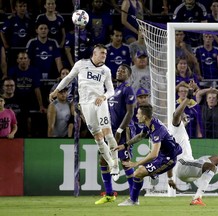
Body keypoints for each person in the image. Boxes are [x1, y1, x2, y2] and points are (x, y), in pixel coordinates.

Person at [49, 44, 120, 180]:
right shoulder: (81, 64)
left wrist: (103, 96)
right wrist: (56, 90)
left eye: (105, 53)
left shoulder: (106, 70)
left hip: (100, 103)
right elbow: (68, 78)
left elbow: (111, 90)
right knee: (98, 138)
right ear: (94, 53)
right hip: (86, 105)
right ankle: (111, 163)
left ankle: (116, 165)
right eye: (102, 53)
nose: (104, 55)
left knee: (108, 134)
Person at [114, 103, 183, 206]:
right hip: (164, 155)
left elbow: (154, 154)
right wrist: (125, 145)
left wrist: (135, 163)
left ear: (144, 116)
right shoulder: (150, 123)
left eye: (138, 114)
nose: (136, 116)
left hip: (168, 159)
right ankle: (134, 200)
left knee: (138, 172)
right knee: (138, 173)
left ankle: (133, 200)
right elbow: (141, 136)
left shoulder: (157, 129)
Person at [95, 64, 136, 205]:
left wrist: (119, 130)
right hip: (110, 131)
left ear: (128, 75)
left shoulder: (127, 89)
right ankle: (109, 194)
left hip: (124, 130)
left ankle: (133, 197)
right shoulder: (112, 91)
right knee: (103, 159)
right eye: (118, 70)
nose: (120, 72)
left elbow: (130, 113)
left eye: (123, 71)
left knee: (125, 163)